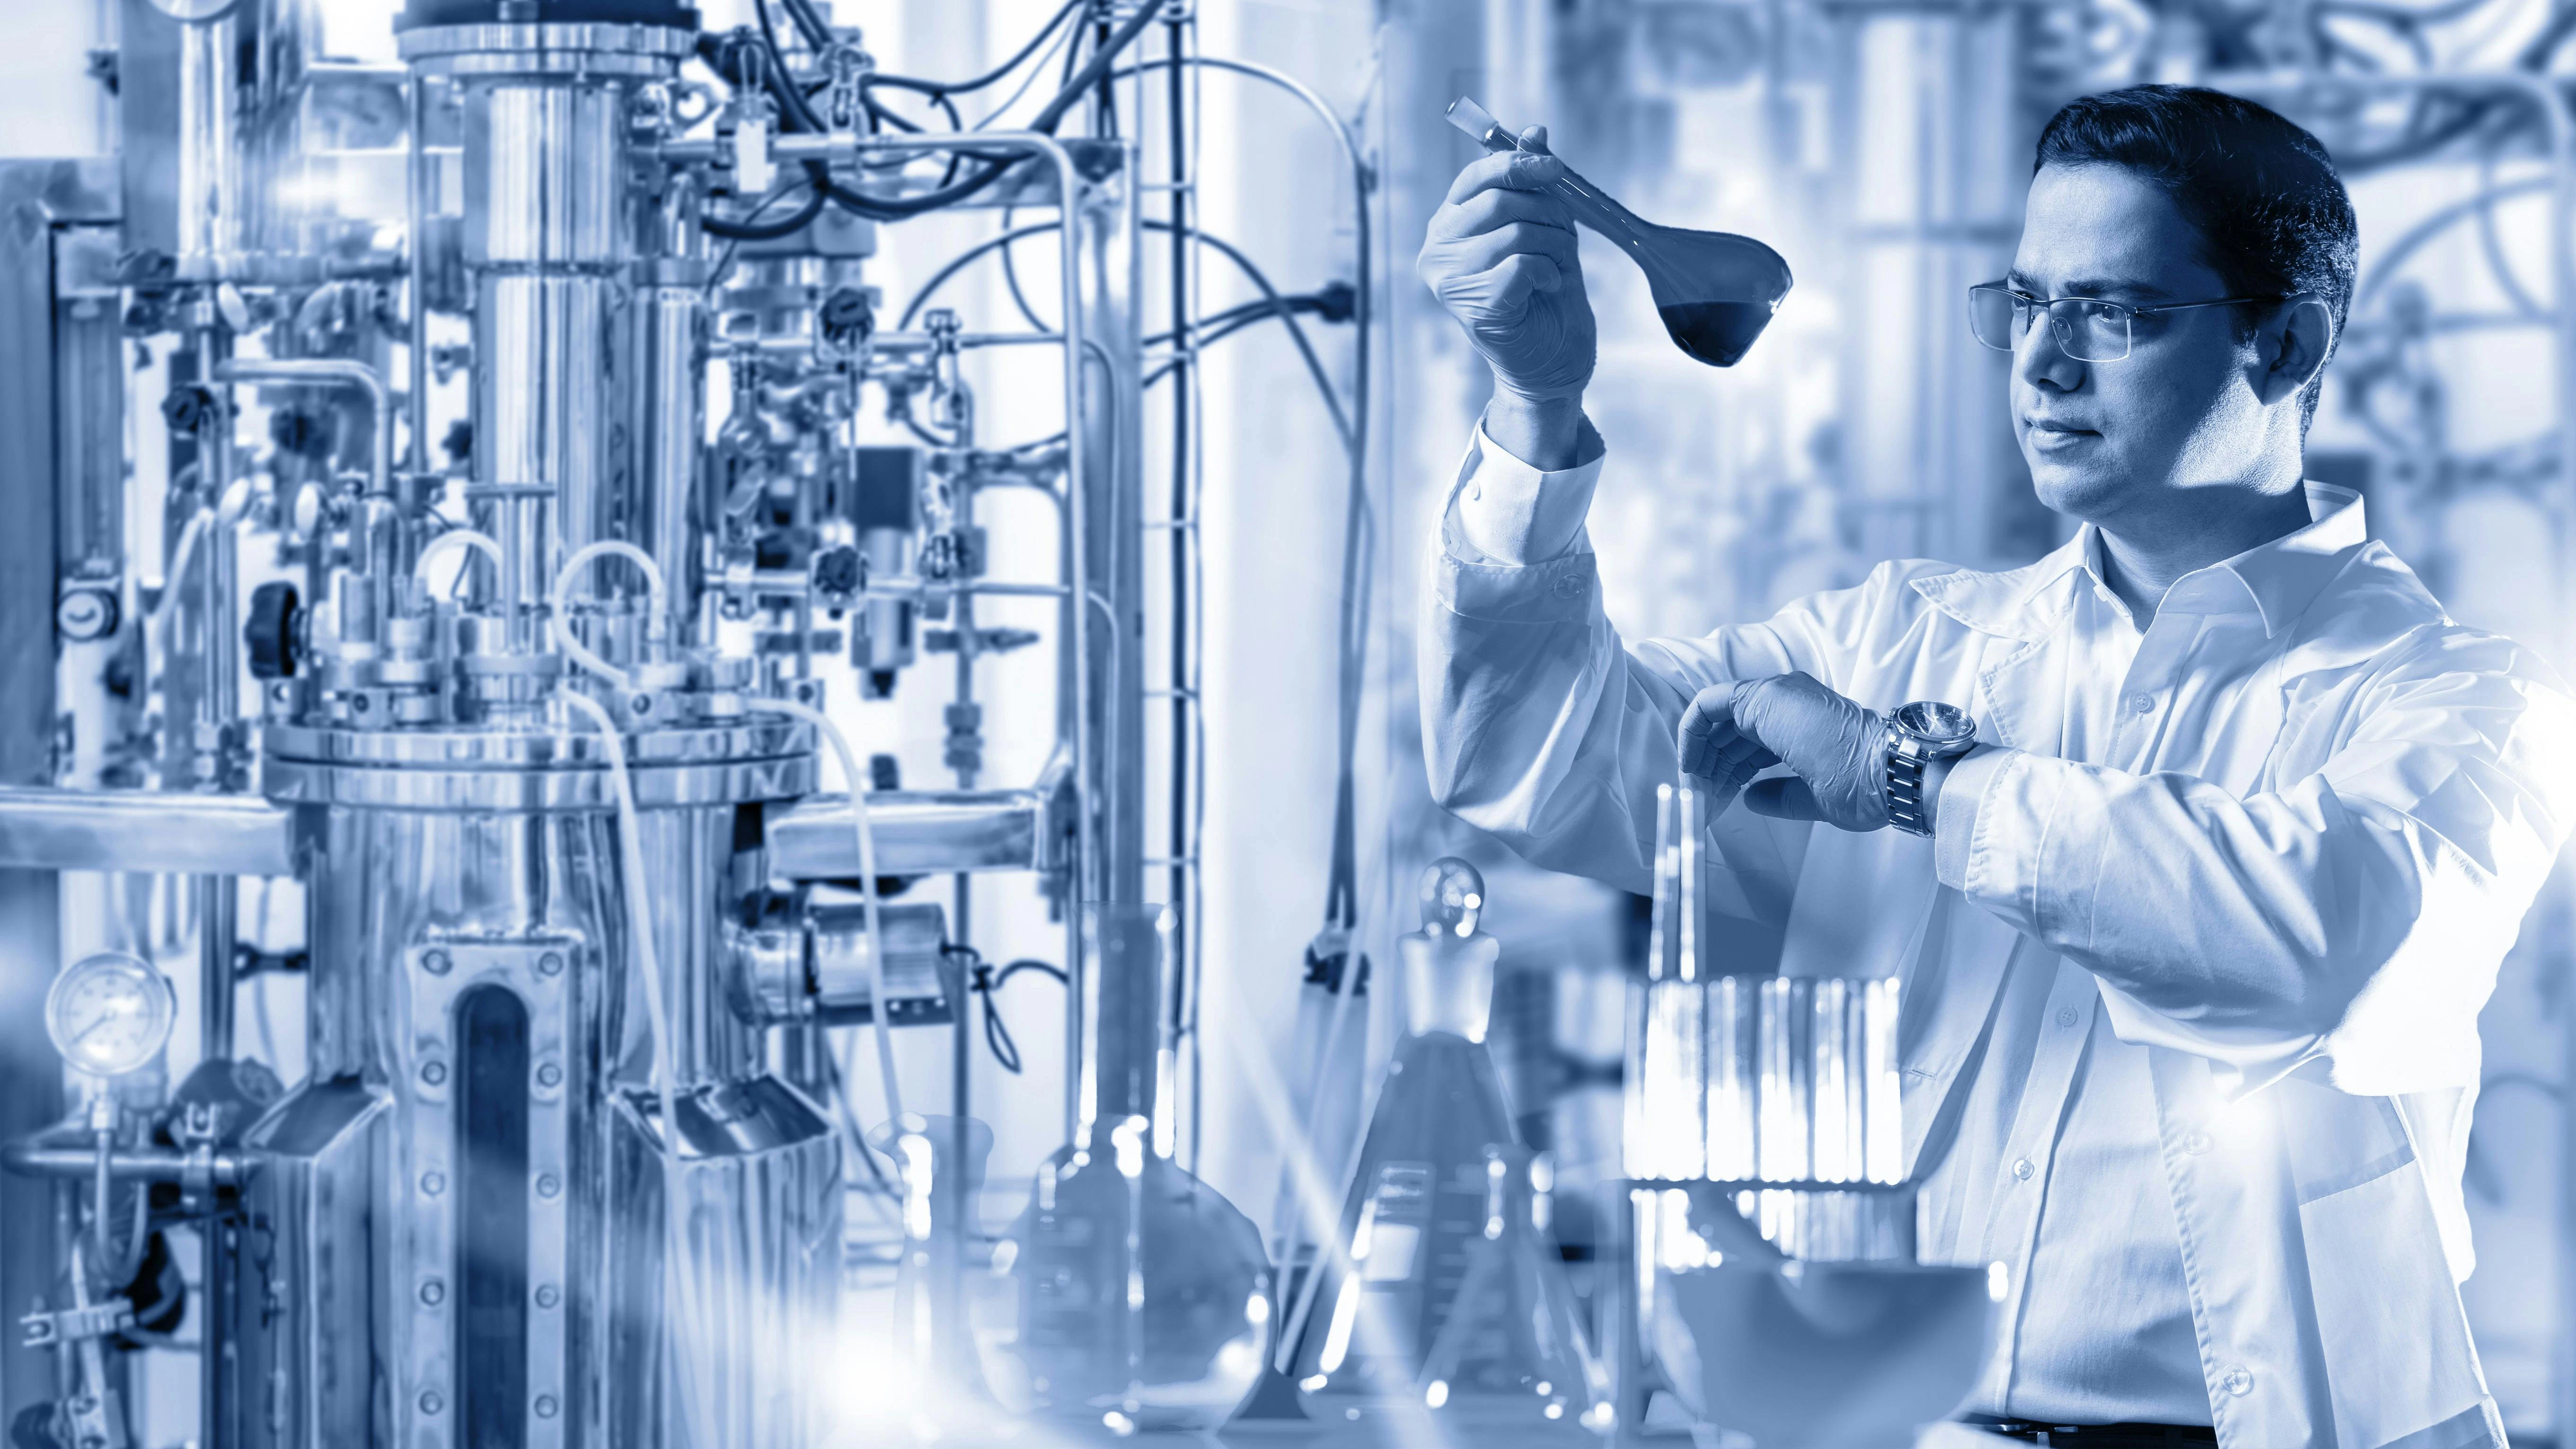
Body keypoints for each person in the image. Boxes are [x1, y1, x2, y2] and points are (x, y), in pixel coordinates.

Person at [1416, 83, 2576, 1449]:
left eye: (2113, 312)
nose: (2043, 366)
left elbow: (2314, 939)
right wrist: (1536, 404)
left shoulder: (2462, 700)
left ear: (2282, 342)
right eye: (2022, 306)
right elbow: (1531, 763)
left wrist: (1912, 784)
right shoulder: (1896, 636)